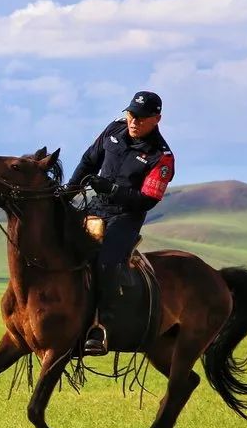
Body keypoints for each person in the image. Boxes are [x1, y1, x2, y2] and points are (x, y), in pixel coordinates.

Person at [67, 90, 174, 354]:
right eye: (131, 114)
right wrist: (68, 192)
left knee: (106, 262)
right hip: (96, 207)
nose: (134, 121)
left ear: (157, 119)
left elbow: (148, 199)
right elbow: (89, 161)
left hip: (127, 217)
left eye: (141, 117)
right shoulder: (112, 130)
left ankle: (100, 326)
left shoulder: (161, 157)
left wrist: (112, 189)